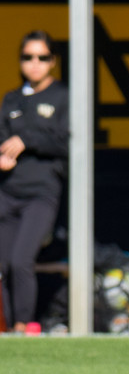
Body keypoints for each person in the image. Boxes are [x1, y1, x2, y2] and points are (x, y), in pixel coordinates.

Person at [0, 30, 69, 334]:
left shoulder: (63, 97)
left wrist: (26, 139)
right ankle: (9, 328)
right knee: (2, 265)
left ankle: (23, 325)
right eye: (28, 57)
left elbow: (67, 143)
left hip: (41, 194)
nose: (35, 64)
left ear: (52, 61)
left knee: (20, 261)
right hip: (9, 190)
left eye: (42, 57)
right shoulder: (12, 99)